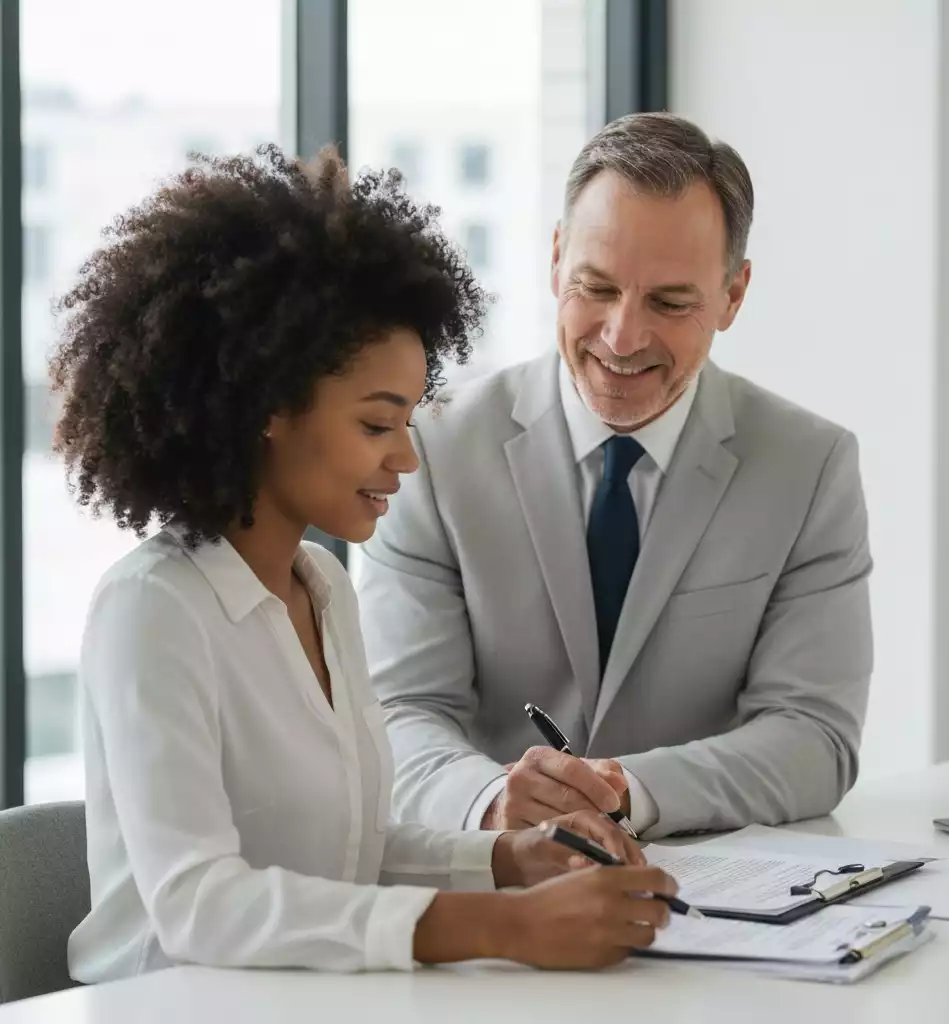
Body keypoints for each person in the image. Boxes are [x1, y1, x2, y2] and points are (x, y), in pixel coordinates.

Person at [52, 145, 678, 983]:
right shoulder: (153, 610)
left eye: (411, 422)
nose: (407, 461)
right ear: (269, 407)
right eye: (377, 425)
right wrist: (503, 925)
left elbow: (347, 853)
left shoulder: (325, 587)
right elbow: (199, 903)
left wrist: (507, 860)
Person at [357, 112, 873, 841]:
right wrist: (492, 802)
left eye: (669, 302)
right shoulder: (433, 450)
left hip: (712, 893)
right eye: (595, 288)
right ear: (556, 258)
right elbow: (397, 710)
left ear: (733, 295)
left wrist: (626, 790)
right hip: (489, 890)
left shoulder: (810, 467)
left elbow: (815, 737)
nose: (622, 337)